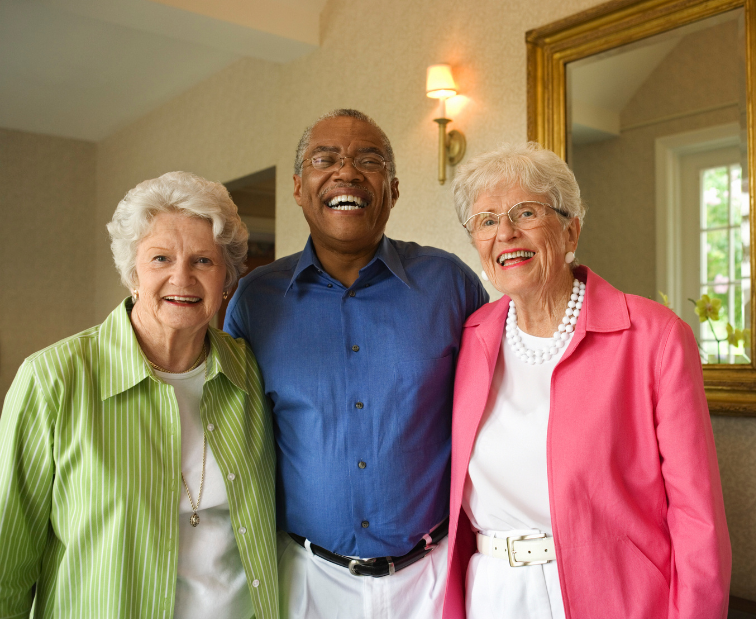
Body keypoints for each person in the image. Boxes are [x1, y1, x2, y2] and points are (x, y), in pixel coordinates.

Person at [442, 143, 732, 619]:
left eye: (526, 212)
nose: (506, 233)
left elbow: (697, 517)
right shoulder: (472, 335)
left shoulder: (654, 337)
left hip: (615, 596)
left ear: (570, 228)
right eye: (487, 220)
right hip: (491, 595)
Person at [224, 109, 487, 619]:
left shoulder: (449, 285)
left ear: (391, 189)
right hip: (305, 580)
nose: (346, 172)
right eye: (326, 159)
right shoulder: (256, 300)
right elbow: (232, 431)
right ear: (300, 188)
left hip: (429, 578)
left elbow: (496, 413)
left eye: (368, 160)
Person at [0, 171, 278, 618]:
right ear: (132, 272)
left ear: (227, 279)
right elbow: (6, 563)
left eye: (203, 261)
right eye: (161, 258)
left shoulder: (249, 371)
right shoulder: (53, 378)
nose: (181, 278)